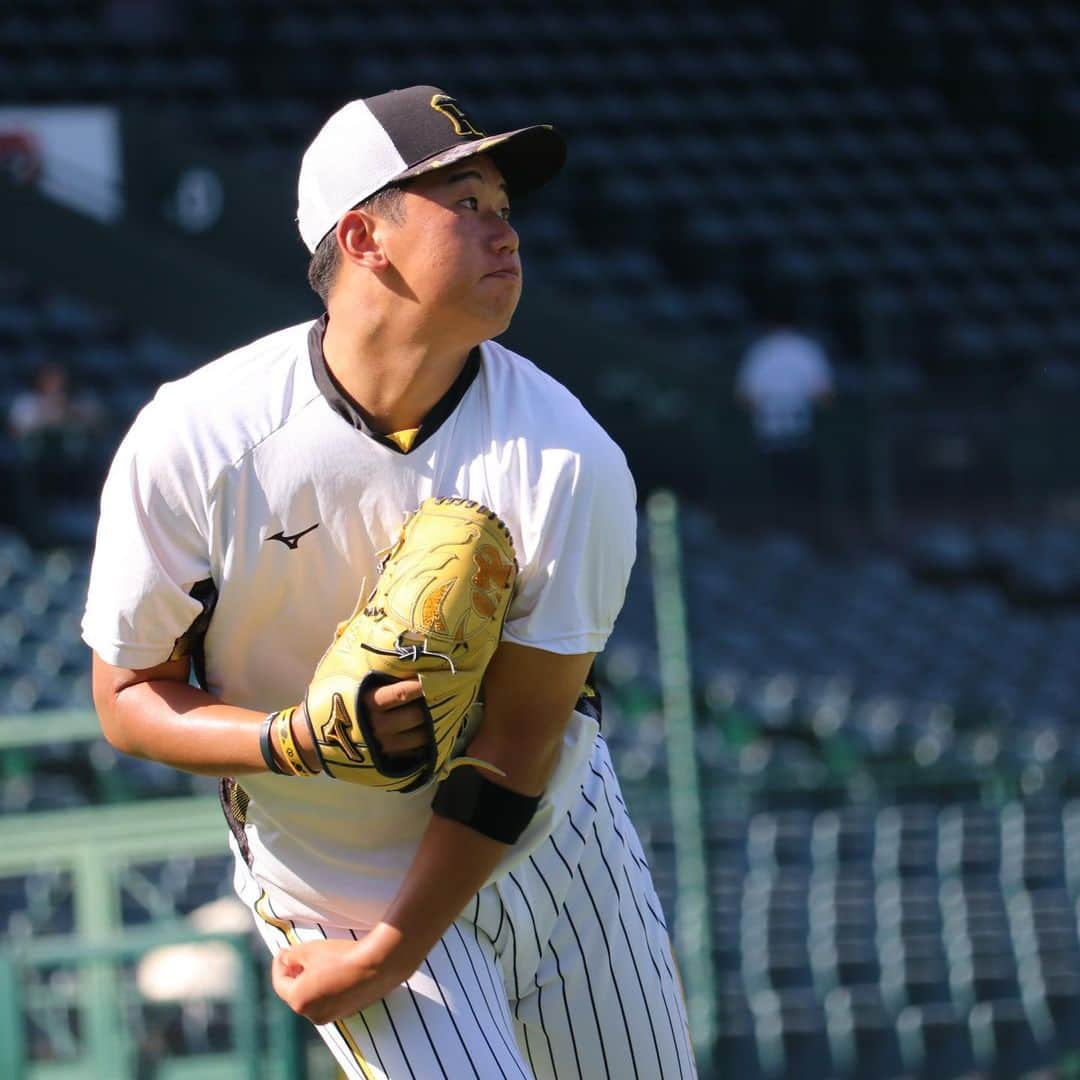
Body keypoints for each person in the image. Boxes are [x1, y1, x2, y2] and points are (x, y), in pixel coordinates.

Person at [83, 85, 694, 1078]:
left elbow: (520, 742)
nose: (506, 234)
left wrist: (399, 949)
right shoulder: (200, 440)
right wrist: (293, 739)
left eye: (506, 207)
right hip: (332, 866)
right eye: (467, 203)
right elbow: (127, 699)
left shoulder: (565, 457)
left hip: (553, 839)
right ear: (363, 236)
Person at [734, 311, 834, 534]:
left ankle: (790, 531)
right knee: (795, 490)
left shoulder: (761, 352)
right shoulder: (805, 350)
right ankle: (794, 532)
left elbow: (744, 398)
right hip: (792, 434)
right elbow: (826, 396)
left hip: (779, 434)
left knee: (783, 489)